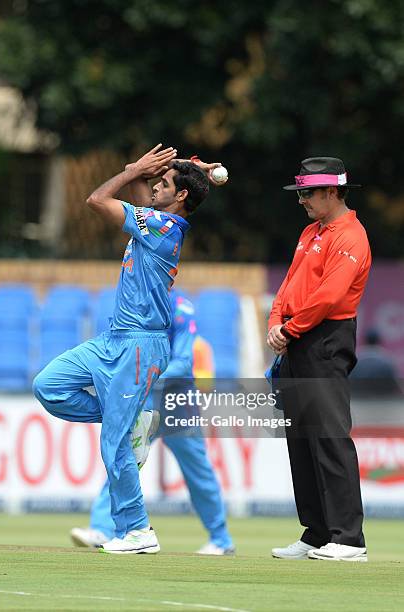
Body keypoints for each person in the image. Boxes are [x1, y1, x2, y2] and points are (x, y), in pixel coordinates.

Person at [33, 144, 220, 554]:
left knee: (114, 443)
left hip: (139, 346)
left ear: (182, 196)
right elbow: (140, 188)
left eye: (165, 183)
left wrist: (135, 167)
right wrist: (179, 166)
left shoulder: (164, 228)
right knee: (48, 386)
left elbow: (96, 199)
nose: (155, 186)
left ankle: (138, 531)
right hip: (112, 339)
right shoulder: (154, 218)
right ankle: (133, 418)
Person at [70, 289, 235, 555]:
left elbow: (183, 364)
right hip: (145, 399)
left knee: (198, 471)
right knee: (124, 458)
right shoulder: (134, 303)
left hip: (178, 403)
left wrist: (142, 378)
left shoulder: (181, 308)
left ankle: (221, 539)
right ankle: (102, 527)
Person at [266, 157, 372, 562]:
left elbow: (328, 297)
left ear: (332, 191)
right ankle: (316, 532)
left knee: (329, 437)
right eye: (301, 193)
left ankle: (348, 539)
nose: (302, 201)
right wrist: (277, 320)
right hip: (297, 336)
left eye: (308, 193)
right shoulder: (312, 231)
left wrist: (289, 330)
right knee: (302, 438)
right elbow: (289, 285)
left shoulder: (352, 235)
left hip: (325, 340)